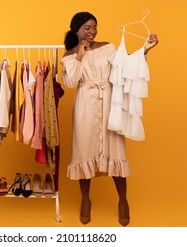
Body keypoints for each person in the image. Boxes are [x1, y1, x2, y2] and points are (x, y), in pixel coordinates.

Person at [60, 12, 158, 226]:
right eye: (87, 27)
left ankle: (123, 200)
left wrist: (144, 50)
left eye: (95, 27)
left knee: (115, 150)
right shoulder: (68, 55)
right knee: (84, 151)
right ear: (76, 29)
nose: (93, 31)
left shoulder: (108, 47)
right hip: (85, 106)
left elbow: (125, 68)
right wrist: (80, 55)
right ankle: (85, 200)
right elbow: (71, 82)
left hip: (110, 103)